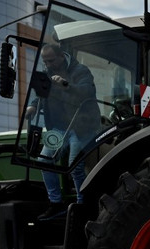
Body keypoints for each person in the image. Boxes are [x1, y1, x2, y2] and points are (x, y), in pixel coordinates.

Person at [26, 43, 100, 220]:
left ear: (61, 57)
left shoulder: (81, 70)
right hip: (60, 127)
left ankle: (83, 205)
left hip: (81, 126)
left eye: (51, 60)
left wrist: (65, 85)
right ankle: (56, 203)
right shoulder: (47, 73)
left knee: (75, 166)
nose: (48, 64)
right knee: (44, 160)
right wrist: (33, 106)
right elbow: (40, 94)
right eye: (45, 61)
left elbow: (86, 93)